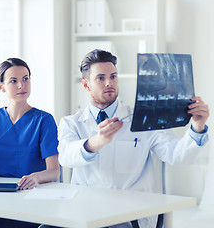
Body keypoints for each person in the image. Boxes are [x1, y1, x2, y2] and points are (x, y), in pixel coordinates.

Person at [58, 49, 209, 228]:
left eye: (113, 76)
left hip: (129, 217)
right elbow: (66, 157)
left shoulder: (142, 118)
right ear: (86, 85)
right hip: (86, 214)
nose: (109, 83)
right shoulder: (71, 123)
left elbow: (176, 154)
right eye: (100, 78)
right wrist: (96, 142)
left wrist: (197, 128)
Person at [0, 58, 60, 228]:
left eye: (25, 79)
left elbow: (54, 172)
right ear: (1, 87)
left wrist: (35, 178)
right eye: (13, 81)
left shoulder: (44, 120)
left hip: (30, 198)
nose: (21, 86)